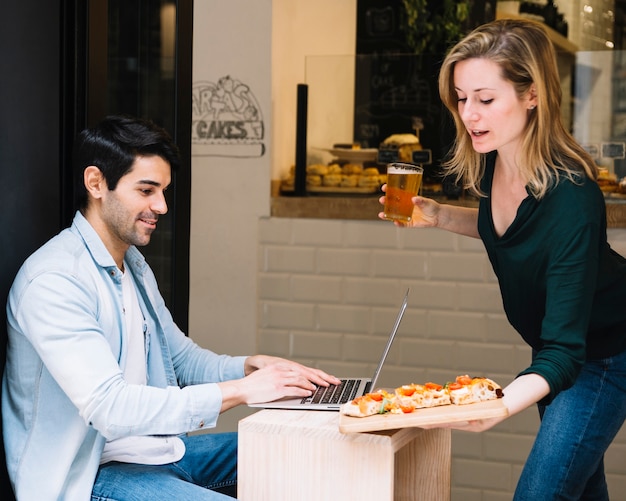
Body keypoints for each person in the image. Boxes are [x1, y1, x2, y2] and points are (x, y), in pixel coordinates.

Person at [2, 115, 341, 501]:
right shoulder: (55, 280)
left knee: (313, 450)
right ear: (96, 183)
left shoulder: (132, 265)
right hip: (91, 478)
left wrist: (253, 367)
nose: (161, 206)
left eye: (163, 191)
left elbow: (182, 360)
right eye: (147, 190)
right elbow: (110, 407)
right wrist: (243, 390)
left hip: (158, 454)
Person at [379, 18, 626, 500]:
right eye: (462, 98)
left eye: (486, 99)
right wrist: (439, 216)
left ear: (532, 94)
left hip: (601, 355)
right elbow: (515, 234)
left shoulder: (572, 196)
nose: (470, 114)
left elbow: (565, 351)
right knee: (576, 489)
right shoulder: (498, 155)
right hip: (552, 354)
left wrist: (493, 404)